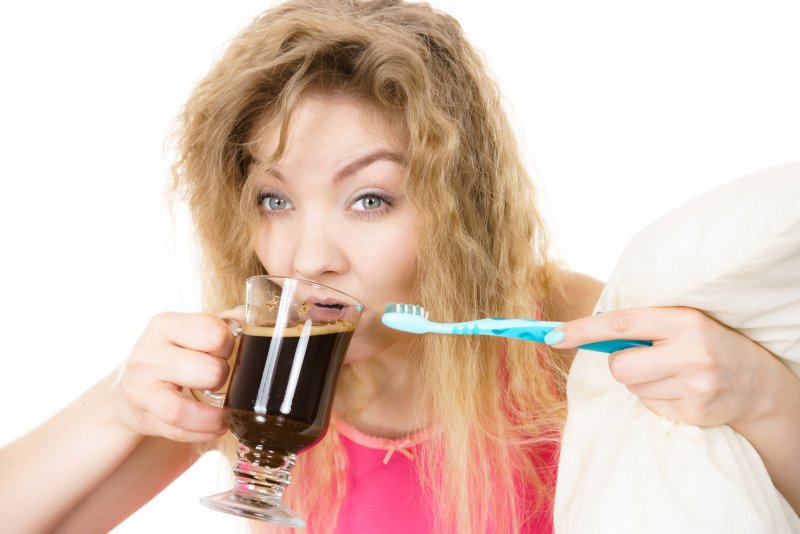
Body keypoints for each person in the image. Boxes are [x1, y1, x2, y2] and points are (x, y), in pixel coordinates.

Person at [2, 0, 799, 532]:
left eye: (370, 200)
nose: (307, 257)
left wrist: (765, 397)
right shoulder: (249, 370)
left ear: (461, 207)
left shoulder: (573, 339)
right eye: (274, 200)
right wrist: (117, 409)